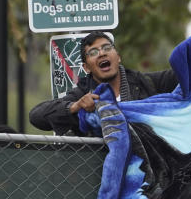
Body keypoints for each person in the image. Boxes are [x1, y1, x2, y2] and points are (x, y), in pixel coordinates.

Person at [29, 31, 179, 135]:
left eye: (107, 48)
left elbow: (186, 73)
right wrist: (75, 107)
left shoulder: (145, 82)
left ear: (118, 57)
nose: (102, 53)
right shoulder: (83, 94)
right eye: (93, 52)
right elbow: (36, 116)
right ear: (86, 67)